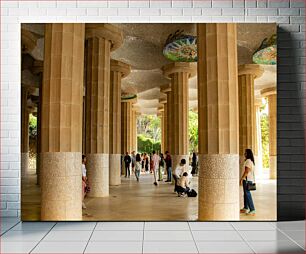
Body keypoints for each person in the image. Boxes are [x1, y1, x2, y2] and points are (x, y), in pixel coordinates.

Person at [240, 148, 256, 216]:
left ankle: (252, 209)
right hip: (247, 180)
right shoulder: (248, 161)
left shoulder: (248, 161)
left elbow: (247, 171)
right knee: (246, 194)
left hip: (247, 180)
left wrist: (241, 179)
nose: (244, 154)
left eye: (245, 153)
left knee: (247, 194)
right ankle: (246, 207)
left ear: (248, 154)